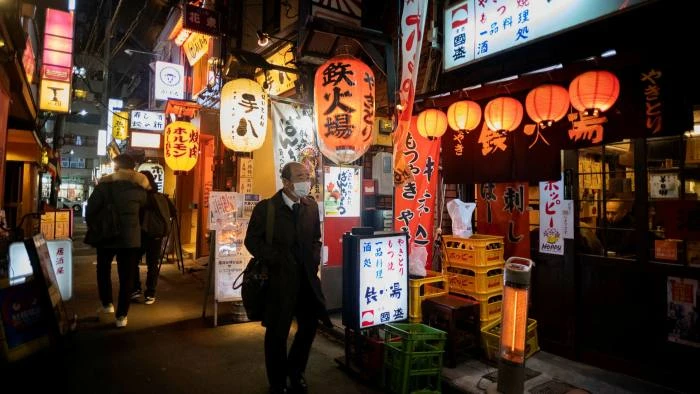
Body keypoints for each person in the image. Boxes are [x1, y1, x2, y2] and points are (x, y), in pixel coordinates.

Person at [244, 162, 332, 394]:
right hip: (278, 281)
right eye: (300, 176)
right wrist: (276, 258)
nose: (306, 181)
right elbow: (252, 241)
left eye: (308, 176)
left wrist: (313, 258)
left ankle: (295, 370)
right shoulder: (267, 209)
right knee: (277, 332)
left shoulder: (310, 207)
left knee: (309, 325)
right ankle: (278, 382)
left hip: (306, 280)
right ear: (285, 182)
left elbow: (316, 238)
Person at [86, 154, 150, 328]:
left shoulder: (103, 187)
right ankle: (122, 316)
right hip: (130, 240)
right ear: (133, 169)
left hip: (106, 236)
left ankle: (107, 304)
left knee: (103, 270)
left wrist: (97, 227)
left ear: (115, 168)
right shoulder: (140, 189)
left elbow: (90, 210)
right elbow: (144, 213)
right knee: (127, 276)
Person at [130, 171, 166, 305]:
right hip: (155, 235)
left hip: (138, 234)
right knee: (152, 264)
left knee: (133, 262)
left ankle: (135, 289)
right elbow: (173, 212)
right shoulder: (160, 196)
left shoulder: (138, 197)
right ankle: (150, 293)